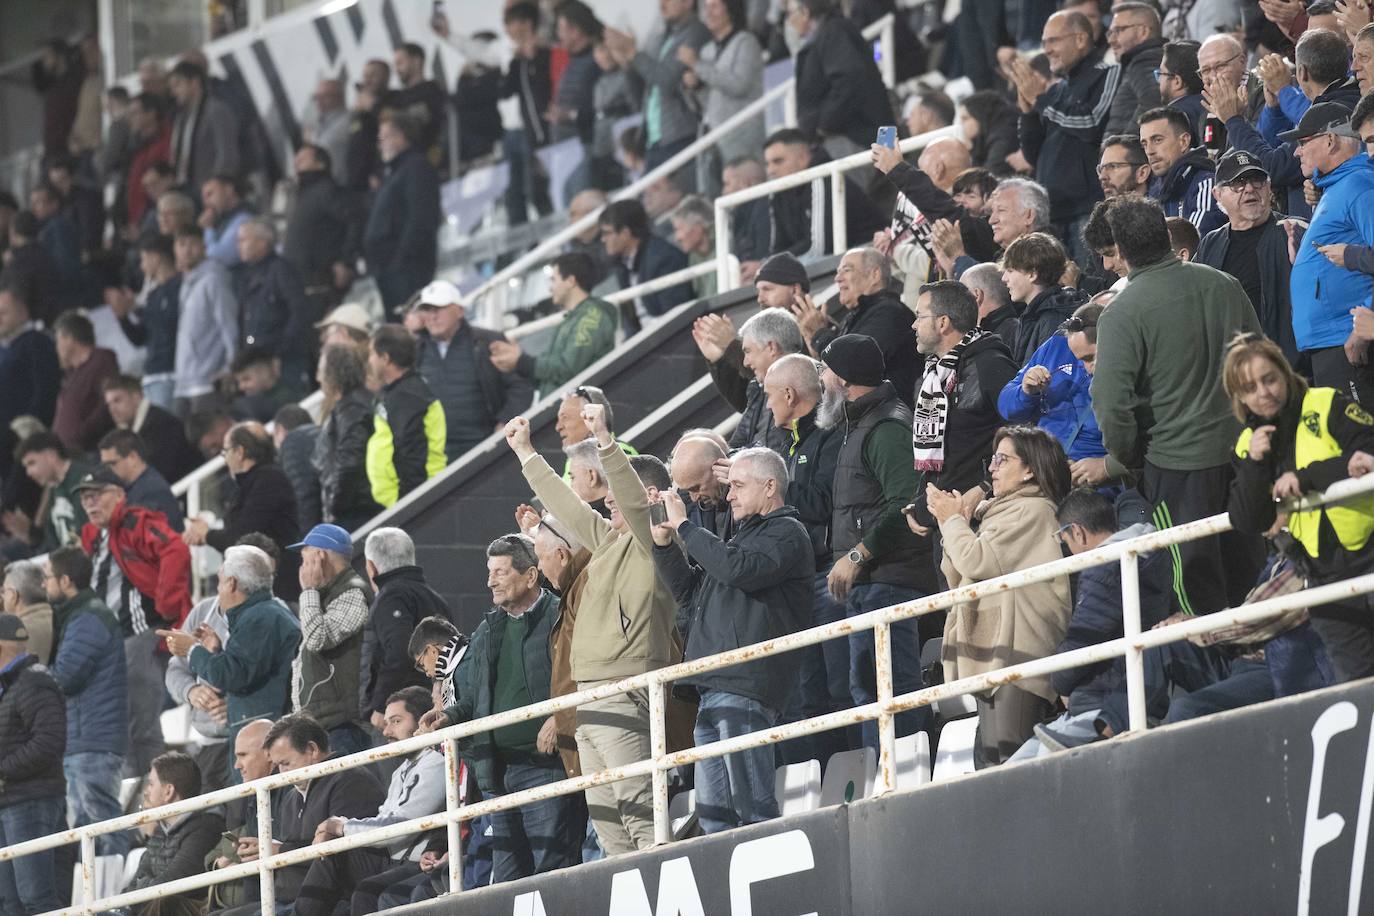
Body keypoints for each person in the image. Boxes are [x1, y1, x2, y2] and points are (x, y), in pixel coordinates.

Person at [506, 407, 678, 856]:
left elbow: (636, 503)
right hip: (589, 695)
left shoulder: (650, 541)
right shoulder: (608, 542)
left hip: (622, 689)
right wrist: (526, 453)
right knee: (610, 829)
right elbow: (567, 508)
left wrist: (604, 440)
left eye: (619, 496)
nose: (608, 502)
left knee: (641, 816)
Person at [1092, 197, 1264, 616]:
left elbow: (1112, 406)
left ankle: (1226, 672)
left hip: (1177, 471)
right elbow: (1263, 363)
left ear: (1121, 248)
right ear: (1165, 234)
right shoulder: (1224, 284)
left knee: (1197, 596)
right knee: (1254, 578)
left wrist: (1131, 458)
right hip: (1246, 456)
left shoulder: (1121, 314)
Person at [651, 447, 813, 832]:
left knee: (752, 806)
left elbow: (738, 570)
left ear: (770, 485)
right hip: (712, 683)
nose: (729, 495)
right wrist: (663, 543)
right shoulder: (743, 536)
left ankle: (776, 886)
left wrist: (687, 527)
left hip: (745, 683)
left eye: (738, 485)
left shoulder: (787, 532)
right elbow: (689, 592)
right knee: (713, 819)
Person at [420, 535, 582, 882]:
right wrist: (448, 715)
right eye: (489, 571)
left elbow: (581, 676)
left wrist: (559, 716)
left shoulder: (560, 616)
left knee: (553, 873)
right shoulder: (487, 629)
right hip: (498, 770)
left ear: (530, 576)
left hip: (546, 768)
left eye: (501, 572)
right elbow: (475, 698)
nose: (490, 581)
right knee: (507, 882)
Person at [1224, 334, 1374, 681]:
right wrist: (1257, 464)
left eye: (1269, 378)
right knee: (1362, 693)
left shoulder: (1326, 402)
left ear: (1285, 372)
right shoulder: (1248, 445)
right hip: (1324, 581)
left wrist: (1304, 478)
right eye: (1250, 387)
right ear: (1240, 398)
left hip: (1369, 553)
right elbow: (1247, 519)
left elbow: (1367, 451)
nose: (1263, 392)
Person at [818, 335, 934, 749]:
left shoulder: (886, 426)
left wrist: (856, 554)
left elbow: (906, 505)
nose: (822, 378)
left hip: (889, 578)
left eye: (826, 370)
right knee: (869, 687)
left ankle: (905, 776)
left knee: (891, 688)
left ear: (845, 380)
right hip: (871, 582)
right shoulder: (861, 422)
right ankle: (887, 777)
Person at [932, 426, 1072, 765]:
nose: (992, 468)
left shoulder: (1034, 510)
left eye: (1002, 459)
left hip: (1020, 657)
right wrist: (955, 524)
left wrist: (953, 523)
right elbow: (958, 575)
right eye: (992, 459)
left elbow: (975, 560)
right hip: (997, 656)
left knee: (1013, 770)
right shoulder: (1002, 512)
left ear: (1029, 469)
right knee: (995, 770)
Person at [1007, 487, 1174, 760]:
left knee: (1020, 770)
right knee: (1019, 763)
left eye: (1064, 541)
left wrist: (1060, 682)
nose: (1068, 551)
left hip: (1099, 705)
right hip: (1130, 698)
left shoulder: (1103, 567)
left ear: (1078, 532)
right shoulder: (1151, 556)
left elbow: (1084, 638)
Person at [75, 466, 190, 778]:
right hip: (110, 642)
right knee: (117, 725)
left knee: (139, 723)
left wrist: (166, 602)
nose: (90, 503)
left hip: (139, 634)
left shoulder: (137, 521)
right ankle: (134, 790)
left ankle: (152, 794)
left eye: (97, 495)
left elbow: (176, 548)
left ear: (118, 495)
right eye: (85, 497)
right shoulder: (93, 536)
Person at [294, 686, 447, 915]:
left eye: (396, 721)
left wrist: (341, 826)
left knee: (368, 890)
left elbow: (401, 827)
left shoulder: (437, 761)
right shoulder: (402, 770)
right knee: (333, 854)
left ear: (421, 719)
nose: (386, 731)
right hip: (391, 857)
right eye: (385, 723)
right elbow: (384, 820)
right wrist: (337, 828)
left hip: (415, 861)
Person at [159, 545, 300, 785]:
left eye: (220, 581)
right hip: (246, 739)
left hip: (261, 739)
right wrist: (214, 652)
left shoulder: (261, 617)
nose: (218, 590)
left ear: (232, 583)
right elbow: (245, 667)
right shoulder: (258, 614)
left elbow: (234, 674)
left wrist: (192, 650)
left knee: (259, 814)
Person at [906, 282, 1021, 538]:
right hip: (944, 522)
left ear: (943, 322)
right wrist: (920, 503)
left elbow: (1026, 435)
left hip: (984, 520)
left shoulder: (990, 364)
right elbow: (942, 454)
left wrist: (985, 488)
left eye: (919, 316)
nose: (913, 325)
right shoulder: (931, 377)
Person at [1210, 28, 1359, 218]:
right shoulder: (1346, 100)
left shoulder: (1337, 109)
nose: (1299, 149)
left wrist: (1233, 120)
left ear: (1302, 72)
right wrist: (1274, 109)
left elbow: (1271, 167)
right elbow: (1270, 145)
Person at [1007, 10, 1118, 260]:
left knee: (1087, 289)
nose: (1046, 50)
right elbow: (1033, 154)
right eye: (1044, 42)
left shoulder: (1107, 74)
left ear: (1080, 39)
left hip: (1086, 211)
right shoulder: (1057, 90)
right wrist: (1027, 113)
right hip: (1054, 215)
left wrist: (1040, 99)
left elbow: (1091, 123)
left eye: (1053, 41)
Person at [1286, 103, 1374, 404]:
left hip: (1347, 341)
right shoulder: (1338, 188)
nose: (1297, 152)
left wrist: (1366, 324)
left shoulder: (1359, 186)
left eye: (1302, 142)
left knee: (1360, 445)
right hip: (1329, 342)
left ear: (1330, 140)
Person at [46, 545, 130, 855]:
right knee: (85, 826)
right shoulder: (79, 616)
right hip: (85, 737)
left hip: (94, 739)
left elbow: (65, 677)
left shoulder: (89, 618)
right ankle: (95, 902)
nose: (44, 585)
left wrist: (37, 674)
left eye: (48, 578)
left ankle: (115, 899)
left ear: (65, 580)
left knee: (101, 824)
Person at [1194, 150, 1299, 367]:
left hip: (1288, 366)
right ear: (1217, 194)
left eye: (1257, 181)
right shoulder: (1210, 243)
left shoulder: (1294, 231)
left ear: (1269, 188)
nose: (1249, 188)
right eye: (1237, 183)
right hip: (1232, 369)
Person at [414, 280, 533, 462]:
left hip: (486, 447)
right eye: (427, 310)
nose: (432, 316)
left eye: (439, 309)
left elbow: (520, 386)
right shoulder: (416, 351)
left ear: (459, 311)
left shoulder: (488, 341)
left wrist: (505, 422)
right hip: (436, 453)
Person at [185, 422, 302, 600]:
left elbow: (243, 537)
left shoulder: (269, 480)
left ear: (240, 452)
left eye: (226, 451)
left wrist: (207, 534)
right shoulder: (252, 482)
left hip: (277, 590)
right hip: (260, 588)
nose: (224, 458)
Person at [0, 611, 66, 916]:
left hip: (30, 803)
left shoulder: (33, 681)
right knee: (10, 904)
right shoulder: (13, 685)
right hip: (11, 803)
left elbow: (49, 741)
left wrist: (3, 770)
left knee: (36, 899)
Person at [795, 247, 921, 405]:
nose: (837, 278)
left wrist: (820, 335)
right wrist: (813, 341)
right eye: (838, 271)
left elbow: (851, 368)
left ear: (874, 275)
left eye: (846, 270)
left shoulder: (890, 313)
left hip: (884, 418)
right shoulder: (857, 315)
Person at [290, 524, 374, 757]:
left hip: (342, 727)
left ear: (320, 556)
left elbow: (317, 638)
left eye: (304, 557)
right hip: (323, 726)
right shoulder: (325, 595)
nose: (302, 567)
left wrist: (308, 591)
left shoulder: (353, 593)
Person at [603, 0, 708, 182]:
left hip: (681, 134)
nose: (662, 3)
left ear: (688, 2)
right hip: (655, 137)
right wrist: (626, 62)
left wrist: (633, 53)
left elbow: (666, 80)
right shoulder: (663, 36)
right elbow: (646, 82)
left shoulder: (696, 32)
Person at [998, 300, 1110, 472]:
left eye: (1090, 357)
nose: (1088, 367)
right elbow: (1006, 407)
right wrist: (1026, 391)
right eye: (1079, 358)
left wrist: (1106, 466)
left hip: (1095, 479)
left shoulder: (1127, 369)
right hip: (1044, 468)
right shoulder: (1056, 345)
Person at [360, 527, 453, 729]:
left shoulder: (391, 597)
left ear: (371, 567)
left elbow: (400, 650)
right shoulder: (435, 598)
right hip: (434, 705)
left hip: (400, 715)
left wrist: (379, 706)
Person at [489, 253, 617, 394]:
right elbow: (551, 377)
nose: (550, 288)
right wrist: (516, 363)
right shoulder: (572, 320)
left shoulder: (592, 318)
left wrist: (522, 361)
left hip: (577, 409)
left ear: (570, 281)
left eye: (553, 280)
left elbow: (568, 368)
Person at [787, 0, 895, 160]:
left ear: (805, 12)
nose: (788, 21)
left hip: (856, 138)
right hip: (851, 137)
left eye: (791, 13)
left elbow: (849, 80)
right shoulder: (829, 33)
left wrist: (823, 125)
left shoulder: (834, 32)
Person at [761, 129, 886, 261]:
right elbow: (777, 247)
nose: (770, 170)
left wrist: (774, 263)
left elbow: (819, 248)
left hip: (873, 254)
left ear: (803, 158)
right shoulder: (777, 192)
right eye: (767, 164)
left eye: (778, 161)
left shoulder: (824, 179)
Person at [681, 0, 765, 185]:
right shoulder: (707, 50)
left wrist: (698, 65)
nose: (708, 13)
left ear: (731, 8)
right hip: (714, 135)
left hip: (743, 134)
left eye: (715, 6)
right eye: (706, 7)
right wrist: (695, 88)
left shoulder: (746, 41)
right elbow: (707, 103)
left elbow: (739, 85)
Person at [128, 751, 225, 912]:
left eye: (151, 784)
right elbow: (131, 889)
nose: (146, 791)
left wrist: (142, 886)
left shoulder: (205, 828)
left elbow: (168, 885)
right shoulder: (161, 829)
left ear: (169, 791)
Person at [363, 113, 441, 311]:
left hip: (405, 268)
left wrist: (402, 259)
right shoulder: (394, 173)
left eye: (384, 138)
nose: (380, 145)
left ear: (401, 137)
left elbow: (421, 216)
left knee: (410, 322)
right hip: (388, 268)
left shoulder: (416, 167)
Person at [164, 573, 231, 792]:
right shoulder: (204, 611)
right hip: (207, 743)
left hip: (251, 741)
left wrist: (236, 706)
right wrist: (191, 691)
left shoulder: (268, 616)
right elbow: (175, 669)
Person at [367, 325, 447, 508]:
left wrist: (407, 503)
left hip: (410, 500)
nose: (369, 360)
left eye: (372, 354)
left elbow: (411, 455)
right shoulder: (399, 392)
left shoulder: (408, 397)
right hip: (397, 499)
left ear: (385, 358)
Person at [234, 216, 313, 388]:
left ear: (263, 243)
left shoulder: (281, 270)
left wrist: (281, 351)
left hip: (284, 363)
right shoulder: (247, 276)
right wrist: (247, 350)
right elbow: (246, 326)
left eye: (243, 240)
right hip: (257, 364)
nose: (238, 245)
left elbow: (300, 311)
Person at [284, 144, 362, 315]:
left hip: (320, 282)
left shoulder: (327, 191)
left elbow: (355, 220)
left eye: (303, 158)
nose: (296, 162)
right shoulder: (302, 193)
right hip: (300, 281)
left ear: (320, 164)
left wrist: (346, 260)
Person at [313, 343, 381, 531]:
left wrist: (336, 504)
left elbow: (351, 461)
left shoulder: (352, 409)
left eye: (321, 371)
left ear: (333, 374)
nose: (317, 378)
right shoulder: (354, 404)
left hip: (357, 512)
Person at [172, 227, 240, 416]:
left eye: (193, 244)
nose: (187, 250)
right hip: (183, 382)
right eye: (181, 244)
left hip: (208, 381)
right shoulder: (185, 282)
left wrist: (230, 367)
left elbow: (229, 327)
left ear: (204, 246)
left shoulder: (214, 280)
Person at [598, 198, 693, 333]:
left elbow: (675, 317)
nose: (603, 239)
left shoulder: (664, 258)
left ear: (625, 233)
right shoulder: (621, 265)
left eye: (607, 233)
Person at [999, 232, 1087, 365]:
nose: (1004, 278)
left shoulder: (1053, 319)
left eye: (1010, 271)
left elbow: (1052, 377)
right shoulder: (1034, 315)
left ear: (1032, 274)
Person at [1138, 107, 1224, 235]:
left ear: (1183, 141)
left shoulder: (1205, 183)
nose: (1149, 151)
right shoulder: (1155, 192)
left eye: (1157, 140)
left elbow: (1192, 242)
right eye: (1144, 144)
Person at [167, 61, 240, 195]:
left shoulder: (216, 110)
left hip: (208, 188)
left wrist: (218, 183)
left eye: (178, 85)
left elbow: (226, 152)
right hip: (185, 187)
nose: (173, 92)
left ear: (194, 82)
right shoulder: (181, 117)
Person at [51, 311, 118, 455]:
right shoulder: (72, 373)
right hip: (69, 454)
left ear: (69, 338)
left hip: (91, 452)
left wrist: (80, 435)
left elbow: (106, 405)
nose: (56, 347)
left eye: (58, 340)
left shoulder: (102, 360)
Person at [14, 432, 90, 554]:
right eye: (26, 467)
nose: (29, 472)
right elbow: (52, 541)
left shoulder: (83, 479)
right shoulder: (54, 488)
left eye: (32, 463)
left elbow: (87, 531)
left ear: (51, 455)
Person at [97, 427, 184, 529]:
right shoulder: (127, 488)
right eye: (104, 465)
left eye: (111, 464)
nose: (107, 470)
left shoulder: (153, 492)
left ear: (132, 457)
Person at [136, 232, 182, 410]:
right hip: (151, 372)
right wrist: (123, 316)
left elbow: (171, 326)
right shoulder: (153, 294)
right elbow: (142, 336)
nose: (142, 266)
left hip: (169, 373)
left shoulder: (179, 287)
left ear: (156, 257)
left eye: (144, 259)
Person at [1103, 1, 1164, 138]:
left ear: (1143, 31)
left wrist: (1125, 146)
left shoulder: (1145, 59)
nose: (1111, 40)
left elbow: (1154, 100)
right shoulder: (1142, 60)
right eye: (1110, 33)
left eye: (1118, 31)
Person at [385, 43, 446, 164]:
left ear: (417, 61)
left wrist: (438, 151)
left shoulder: (434, 92)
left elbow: (444, 126)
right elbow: (382, 134)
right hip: (400, 164)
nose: (397, 69)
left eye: (400, 63)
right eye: (395, 65)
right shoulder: (394, 100)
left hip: (425, 161)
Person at [0, 215, 63, 329]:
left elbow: (14, 298)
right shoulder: (49, 256)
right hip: (53, 321)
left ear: (12, 233)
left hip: (30, 326)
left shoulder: (18, 263)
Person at [274, 404, 322, 532]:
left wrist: (309, 539)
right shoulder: (321, 432)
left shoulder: (292, 443)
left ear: (279, 431)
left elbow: (304, 493)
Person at [958, 90, 1021, 176]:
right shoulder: (991, 135)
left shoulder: (1003, 139)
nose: (961, 124)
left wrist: (971, 150)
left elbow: (987, 179)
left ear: (980, 116)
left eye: (965, 118)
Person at [2, 562, 54, 665]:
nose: (2, 597)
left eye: (4, 591)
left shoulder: (12, 634)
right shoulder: (62, 619)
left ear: (13, 595)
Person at [198, 174, 252, 267]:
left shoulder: (244, 218)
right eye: (204, 198)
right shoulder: (221, 218)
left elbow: (222, 257)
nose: (206, 202)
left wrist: (208, 228)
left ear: (229, 190)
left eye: (210, 194)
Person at [1158, 39, 1206, 142]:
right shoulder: (1215, 106)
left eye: (1160, 73)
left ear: (1177, 81)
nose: (1158, 81)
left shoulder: (1172, 116)